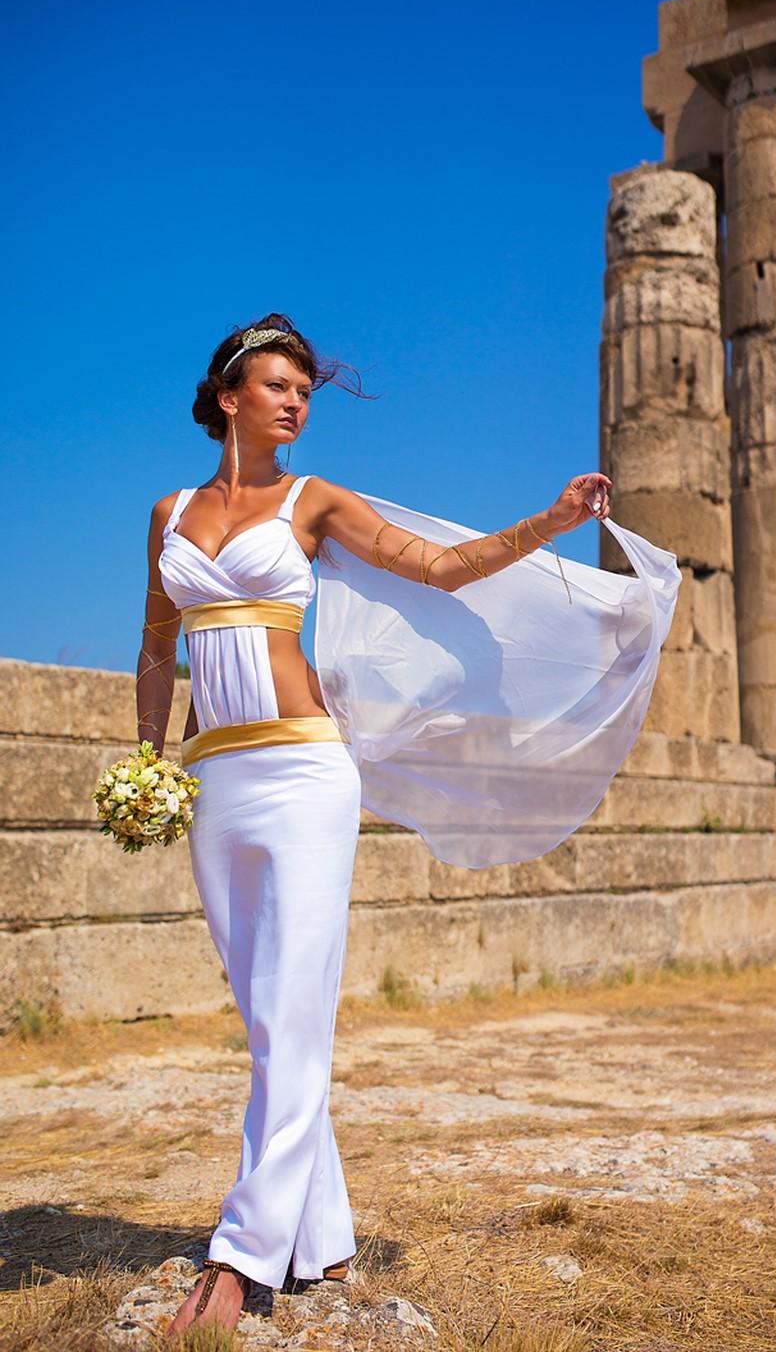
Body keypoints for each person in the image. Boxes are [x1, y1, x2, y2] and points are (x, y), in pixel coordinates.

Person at [138, 314, 678, 1337]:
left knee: (293, 1010)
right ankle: (325, 1239)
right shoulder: (169, 513)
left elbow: (437, 568)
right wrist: (147, 761)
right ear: (227, 398)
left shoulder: (314, 501)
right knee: (268, 1018)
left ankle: (240, 1258)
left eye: (306, 390)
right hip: (213, 779)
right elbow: (157, 646)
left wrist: (551, 520)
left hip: (305, 771)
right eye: (278, 386)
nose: (296, 402)